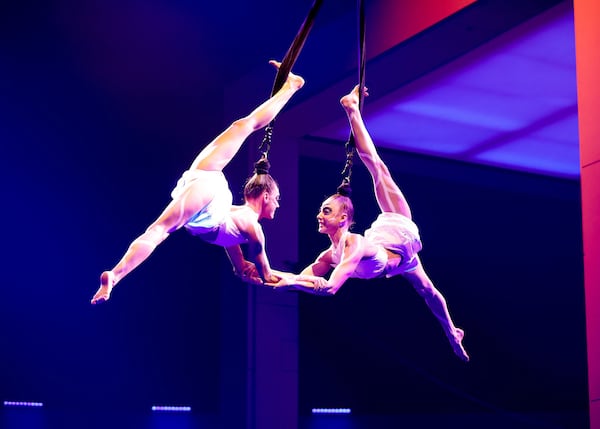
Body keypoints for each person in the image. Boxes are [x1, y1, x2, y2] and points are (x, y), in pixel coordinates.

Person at [270, 85, 469, 362]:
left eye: (325, 211)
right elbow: (306, 278)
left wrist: (288, 282)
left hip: (397, 231)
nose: (318, 215)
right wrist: (271, 276)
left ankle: (352, 108)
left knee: (377, 166)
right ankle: (452, 331)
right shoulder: (329, 254)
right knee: (428, 291)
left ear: (343, 218)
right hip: (401, 259)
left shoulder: (354, 244)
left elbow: (328, 288)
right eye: (320, 210)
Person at [91, 60, 304, 305]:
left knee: (245, 126)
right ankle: (291, 87)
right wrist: (299, 281)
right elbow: (266, 275)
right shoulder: (252, 228)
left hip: (204, 188)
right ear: (265, 195)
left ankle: (116, 275)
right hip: (208, 194)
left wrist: (243, 267)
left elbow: (237, 254)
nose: (278, 205)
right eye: (277, 199)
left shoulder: (238, 222)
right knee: (243, 126)